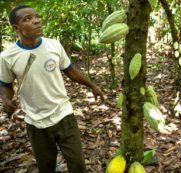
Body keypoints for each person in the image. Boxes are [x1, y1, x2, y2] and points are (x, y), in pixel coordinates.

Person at [0, 5, 104, 173]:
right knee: (46, 167)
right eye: (27, 19)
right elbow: (5, 85)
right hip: (35, 121)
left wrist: (92, 86)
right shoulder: (7, 56)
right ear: (16, 28)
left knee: (78, 165)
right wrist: (6, 100)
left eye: (36, 16)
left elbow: (70, 71)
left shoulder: (54, 45)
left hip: (63, 114)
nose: (36, 21)